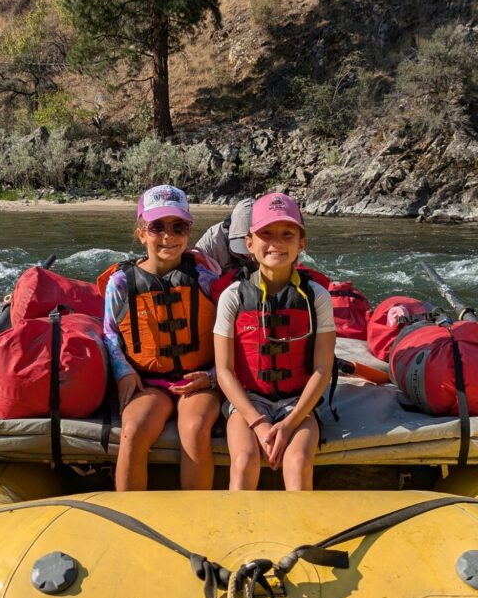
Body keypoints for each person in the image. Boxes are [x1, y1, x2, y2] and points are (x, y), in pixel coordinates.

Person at [99, 185, 222, 492]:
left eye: (178, 227)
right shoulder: (120, 283)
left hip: (199, 379)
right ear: (141, 233)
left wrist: (212, 377)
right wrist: (124, 372)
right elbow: (110, 332)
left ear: (188, 232)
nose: (168, 237)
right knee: (133, 430)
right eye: (157, 227)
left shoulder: (207, 280)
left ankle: (195, 516)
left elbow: (228, 336)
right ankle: (131, 518)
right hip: (148, 381)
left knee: (194, 429)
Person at [213, 192, 335, 491]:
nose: (276, 242)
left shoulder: (317, 297)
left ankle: (299, 535)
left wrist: (291, 422)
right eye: (265, 233)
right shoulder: (233, 297)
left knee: (297, 463)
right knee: (243, 461)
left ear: (301, 243)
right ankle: (239, 533)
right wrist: (258, 422)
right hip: (248, 402)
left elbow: (322, 368)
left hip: (298, 403)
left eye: (287, 234)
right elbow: (225, 371)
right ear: (250, 242)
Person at [195, 197, 256, 274]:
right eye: (242, 239)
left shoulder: (270, 244)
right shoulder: (212, 240)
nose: (248, 253)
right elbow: (193, 267)